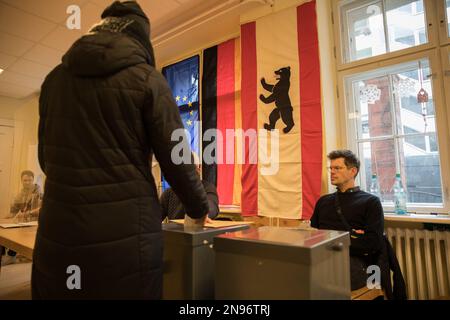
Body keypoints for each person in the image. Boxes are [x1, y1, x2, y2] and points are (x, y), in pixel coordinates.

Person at [33, 1, 209, 299]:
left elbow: (46, 160)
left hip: (58, 233)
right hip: (126, 240)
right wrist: (198, 207)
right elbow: (178, 159)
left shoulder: (53, 81)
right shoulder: (148, 80)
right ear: (141, 39)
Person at [310, 150, 384, 291]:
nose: (331, 172)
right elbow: (314, 236)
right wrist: (352, 237)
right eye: (330, 168)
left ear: (352, 171)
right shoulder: (323, 201)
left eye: (337, 168)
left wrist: (330, 241)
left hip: (353, 264)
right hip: (323, 261)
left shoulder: (370, 202)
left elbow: (373, 243)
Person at [160, 152, 219, 221]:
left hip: (197, 230)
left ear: (198, 168)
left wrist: (203, 214)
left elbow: (212, 207)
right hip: (176, 231)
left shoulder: (207, 188)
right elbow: (155, 216)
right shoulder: (169, 193)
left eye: (190, 169)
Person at [1, 170, 43, 266]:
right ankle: (4, 254)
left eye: (29, 180)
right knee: (3, 228)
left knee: (14, 231)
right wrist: (4, 219)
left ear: (33, 180)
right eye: (25, 180)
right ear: (21, 181)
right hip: (23, 222)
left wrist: (27, 214)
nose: (27, 182)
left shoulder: (38, 192)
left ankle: (11, 256)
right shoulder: (21, 193)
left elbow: (40, 210)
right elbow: (13, 211)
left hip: (34, 223)